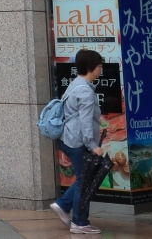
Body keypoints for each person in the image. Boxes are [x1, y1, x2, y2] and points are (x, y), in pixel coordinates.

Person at [50, 48, 105, 235]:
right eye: (99, 66)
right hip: (77, 141)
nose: (101, 69)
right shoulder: (85, 91)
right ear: (91, 67)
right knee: (85, 181)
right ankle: (79, 222)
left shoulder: (76, 84)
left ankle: (63, 205)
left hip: (67, 138)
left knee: (84, 179)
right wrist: (93, 146)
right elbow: (86, 122)